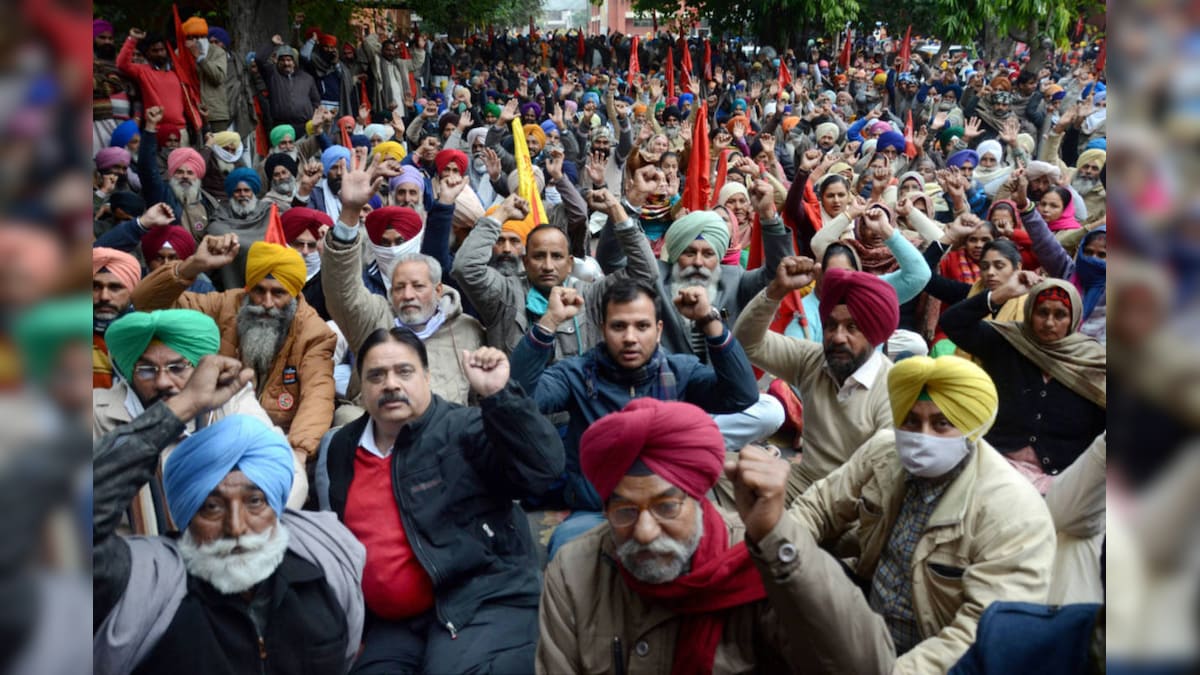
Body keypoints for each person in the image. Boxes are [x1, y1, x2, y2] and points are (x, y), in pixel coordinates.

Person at [724, 354, 1057, 674]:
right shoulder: (885, 449)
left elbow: (983, 632)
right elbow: (820, 507)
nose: (922, 436)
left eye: (942, 424)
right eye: (911, 420)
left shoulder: (1015, 514)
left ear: (972, 429)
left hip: (930, 653)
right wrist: (774, 568)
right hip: (866, 615)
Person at [538, 397, 893, 674]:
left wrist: (778, 536)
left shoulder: (757, 559)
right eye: (625, 511)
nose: (645, 533)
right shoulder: (574, 571)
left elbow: (865, 667)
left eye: (667, 507)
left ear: (698, 497)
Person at [93, 355, 366, 674]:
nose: (236, 527)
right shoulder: (143, 583)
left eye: (254, 503)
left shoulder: (327, 561)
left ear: (277, 507)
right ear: (186, 513)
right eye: (211, 506)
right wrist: (185, 404)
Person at [313, 330, 564, 674]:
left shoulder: (465, 427)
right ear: (361, 385)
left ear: (427, 377)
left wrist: (499, 397)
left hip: (482, 600)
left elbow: (543, 469)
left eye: (404, 371)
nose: (390, 384)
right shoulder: (344, 445)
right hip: (394, 624)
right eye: (376, 375)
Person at [510, 279, 760, 553]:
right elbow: (520, 398)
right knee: (568, 550)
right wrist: (550, 320)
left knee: (721, 547)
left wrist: (709, 321)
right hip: (598, 511)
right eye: (619, 326)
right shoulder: (577, 375)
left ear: (658, 329)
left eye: (642, 326)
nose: (630, 337)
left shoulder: (680, 373)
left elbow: (741, 395)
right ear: (602, 329)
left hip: (672, 504)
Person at [92, 309, 306, 532]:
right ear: (128, 372)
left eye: (176, 368)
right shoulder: (97, 411)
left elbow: (292, 475)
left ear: (200, 369)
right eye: (146, 370)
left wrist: (248, 534)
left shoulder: (231, 400)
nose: (163, 381)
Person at [131, 235, 336, 462]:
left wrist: (298, 451)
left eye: (278, 293)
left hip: (278, 441)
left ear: (295, 294)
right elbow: (145, 305)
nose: (267, 303)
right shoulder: (225, 305)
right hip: (215, 430)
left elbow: (318, 393)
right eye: (259, 291)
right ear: (247, 289)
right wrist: (193, 266)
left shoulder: (314, 332)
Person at [732, 259, 899, 500]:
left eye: (852, 327)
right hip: (801, 484)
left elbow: (881, 483)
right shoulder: (813, 359)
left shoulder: (891, 388)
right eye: (831, 326)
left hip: (852, 502)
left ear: (874, 333)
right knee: (713, 467)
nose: (838, 337)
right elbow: (747, 345)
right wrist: (776, 291)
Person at [322, 162, 483, 406]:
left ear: (438, 290)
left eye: (418, 286)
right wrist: (350, 213)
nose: (408, 295)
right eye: (398, 288)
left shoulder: (468, 330)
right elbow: (342, 293)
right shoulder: (375, 319)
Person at [940, 275, 1106, 493]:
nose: (1049, 322)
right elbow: (953, 323)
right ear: (1029, 313)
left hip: (1061, 482)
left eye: (1060, 315)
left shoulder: (1093, 363)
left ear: (1073, 318)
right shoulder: (1007, 342)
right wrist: (1003, 293)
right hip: (993, 466)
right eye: (1042, 312)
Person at [452, 190, 657, 361]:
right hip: (518, 405)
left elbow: (645, 273)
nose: (548, 266)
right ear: (525, 261)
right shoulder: (505, 294)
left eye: (557, 256)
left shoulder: (591, 295)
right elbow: (465, 267)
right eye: (539, 256)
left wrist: (617, 211)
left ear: (570, 264)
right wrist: (501, 214)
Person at [204, 167, 274, 290]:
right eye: (237, 191)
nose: (242, 195)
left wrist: (236, 242)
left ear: (253, 191)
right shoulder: (222, 211)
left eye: (247, 190)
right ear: (232, 193)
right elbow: (214, 229)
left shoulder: (267, 211)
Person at [116, 28, 188, 144]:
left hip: (180, 131)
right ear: (147, 53)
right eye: (155, 51)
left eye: (162, 50)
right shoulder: (142, 71)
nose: (159, 53)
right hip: (155, 129)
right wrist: (133, 39)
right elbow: (121, 64)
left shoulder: (177, 72)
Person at [93, 247, 141, 388]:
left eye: (115, 288)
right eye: (95, 287)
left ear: (132, 291)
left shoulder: (146, 337)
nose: (104, 297)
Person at [255, 37, 320, 138]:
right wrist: (272, 44)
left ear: (294, 62)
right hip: (280, 126)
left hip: (304, 126)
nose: (286, 63)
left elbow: (316, 101)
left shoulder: (307, 78)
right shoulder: (272, 76)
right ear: (277, 61)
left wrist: (312, 118)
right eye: (282, 60)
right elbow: (259, 59)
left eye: (289, 60)